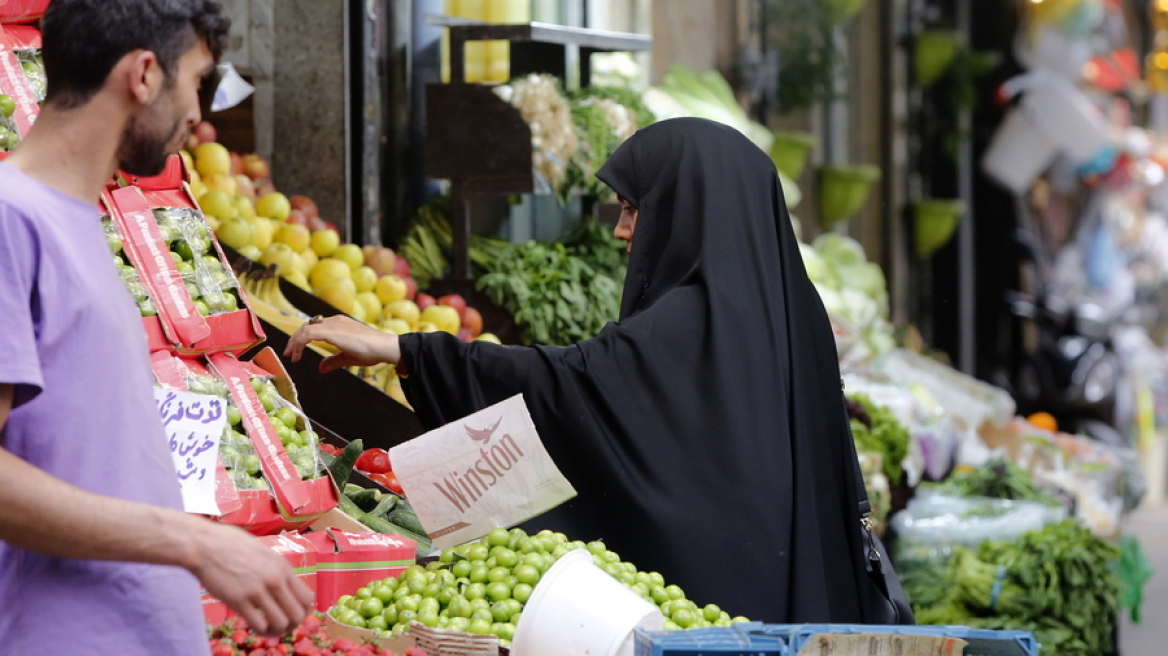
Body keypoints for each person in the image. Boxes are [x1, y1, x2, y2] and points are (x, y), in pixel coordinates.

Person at [286, 118, 872, 622]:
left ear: (687, 206)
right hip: (787, 599)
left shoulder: (690, 322)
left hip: (717, 616)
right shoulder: (791, 308)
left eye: (633, 208)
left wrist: (408, 351)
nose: (621, 230)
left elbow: (575, 385)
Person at [0, 2, 313, 653]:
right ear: (144, 73)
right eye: (196, 80)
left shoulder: (76, 223)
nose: (198, 112)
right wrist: (193, 542)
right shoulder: (12, 220)